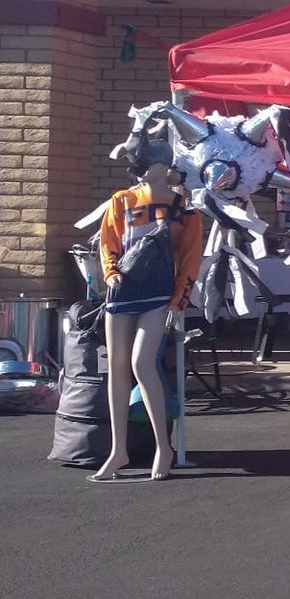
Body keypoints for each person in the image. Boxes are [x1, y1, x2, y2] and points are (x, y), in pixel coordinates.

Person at [93, 157, 204, 481]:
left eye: (150, 160)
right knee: (117, 368)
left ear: (165, 166)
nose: (142, 168)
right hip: (122, 289)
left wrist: (180, 298)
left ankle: (163, 446)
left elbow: (190, 256)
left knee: (142, 364)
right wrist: (110, 272)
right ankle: (118, 449)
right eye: (139, 162)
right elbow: (108, 242)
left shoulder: (184, 208)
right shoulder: (122, 200)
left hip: (158, 294)